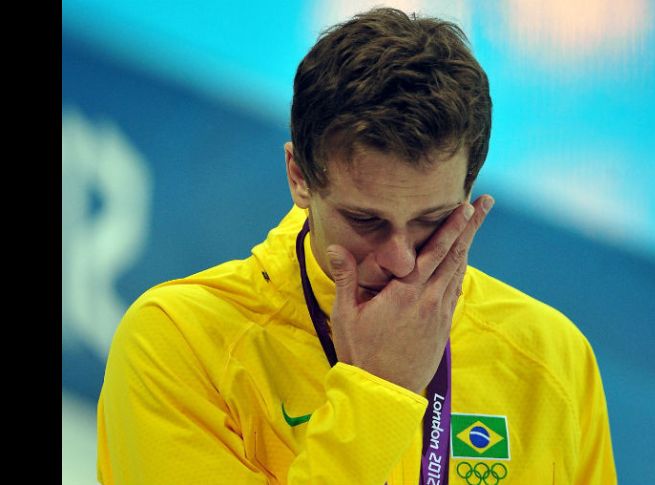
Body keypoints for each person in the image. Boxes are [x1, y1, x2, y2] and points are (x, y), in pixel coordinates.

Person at [96, 7, 617, 485]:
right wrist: (376, 394)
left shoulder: (550, 357)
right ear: (299, 176)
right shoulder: (178, 346)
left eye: (430, 222)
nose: (400, 258)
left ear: (469, 193)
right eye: (365, 220)